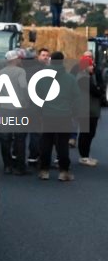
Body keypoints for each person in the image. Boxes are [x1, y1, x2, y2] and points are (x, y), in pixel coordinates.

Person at [38, 51, 80, 182]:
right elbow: (76, 97)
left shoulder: (43, 78)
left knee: (46, 142)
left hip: (47, 114)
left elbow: (37, 94)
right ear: (63, 61)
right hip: (64, 115)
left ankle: (44, 170)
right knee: (62, 144)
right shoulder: (70, 78)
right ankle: (64, 171)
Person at [0, 49, 29, 175]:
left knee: (5, 138)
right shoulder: (20, 71)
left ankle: (7, 165)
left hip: (4, 109)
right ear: (15, 59)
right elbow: (24, 87)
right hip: (19, 110)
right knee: (20, 138)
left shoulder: (0, 73)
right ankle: (20, 167)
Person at [24, 47, 50, 164]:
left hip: (29, 105)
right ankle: (33, 156)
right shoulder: (40, 71)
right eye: (43, 55)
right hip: (35, 105)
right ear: (38, 57)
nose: (45, 57)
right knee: (35, 132)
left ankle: (18, 156)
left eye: (47, 55)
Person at [76, 55, 102, 166]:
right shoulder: (82, 77)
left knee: (90, 133)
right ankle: (84, 157)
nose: (93, 67)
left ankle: (86, 155)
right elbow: (96, 91)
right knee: (86, 133)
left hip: (91, 109)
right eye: (91, 65)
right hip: (86, 110)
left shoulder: (88, 76)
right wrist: (99, 90)